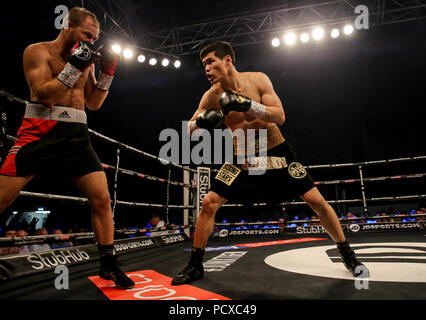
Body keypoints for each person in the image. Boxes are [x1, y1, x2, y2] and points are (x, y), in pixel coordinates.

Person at [172, 41, 367, 285]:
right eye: (204, 65)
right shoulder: (211, 96)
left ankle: (348, 255)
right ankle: (195, 265)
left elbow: (280, 116)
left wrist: (248, 105)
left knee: (316, 201)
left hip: (274, 147)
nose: (207, 70)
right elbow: (189, 131)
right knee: (209, 202)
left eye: (211, 62)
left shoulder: (258, 80)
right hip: (240, 152)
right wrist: (202, 122)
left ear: (228, 60)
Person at [0, 7, 134, 288]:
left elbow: (94, 103)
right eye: (86, 33)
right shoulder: (38, 52)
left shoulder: (87, 58)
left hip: (76, 134)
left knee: (102, 199)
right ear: (67, 25)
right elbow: (44, 96)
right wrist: (75, 67)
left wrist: (107, 73)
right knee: (2, 197)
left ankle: (109, 265)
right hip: (40, 131)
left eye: (94, 38)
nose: (90, 42)